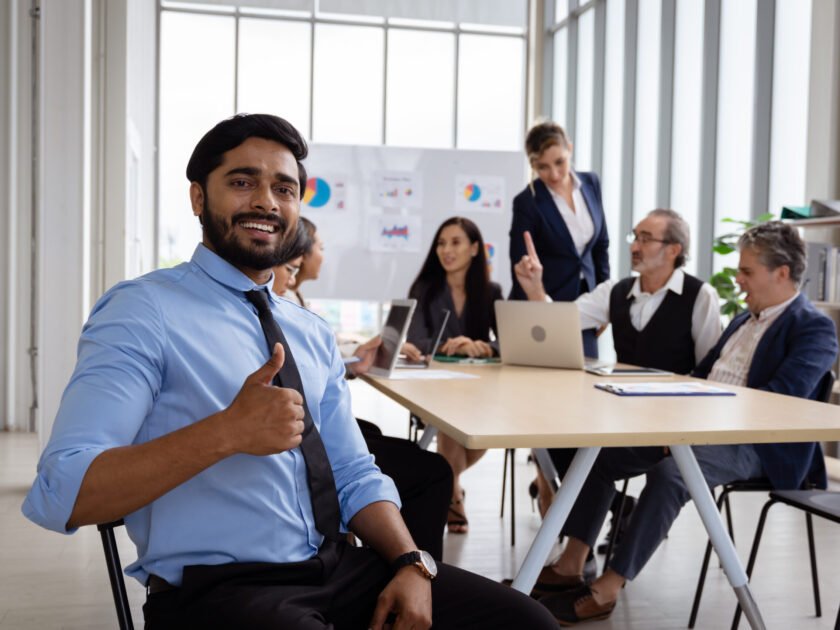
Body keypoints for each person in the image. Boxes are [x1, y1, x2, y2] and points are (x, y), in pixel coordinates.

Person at [21, 114, 556, 630]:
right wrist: (226, 433)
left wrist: (410, 562)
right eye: (241, 182)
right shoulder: (143, 311)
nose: (265, 201)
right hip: (219, 590)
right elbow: (60, 490)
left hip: (338, 569)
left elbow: (352, 473)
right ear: (198, 198)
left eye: (284, 188)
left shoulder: (308, 330)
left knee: (527, 620)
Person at [535, 221, 838, 625]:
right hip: (698, 426)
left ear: (781, 273)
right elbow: (702, 378)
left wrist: (687, 425)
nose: (738, 280)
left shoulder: (814, 328)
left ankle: (608, 587)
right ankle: (573, 561)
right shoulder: (743, 320)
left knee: (673, 471)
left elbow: (776, 403)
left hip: (758, 446)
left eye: (747, 271)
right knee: (601, 452)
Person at [514, 208, 722, 587]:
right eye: (635, 236)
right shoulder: (616, 290)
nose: (635, 246)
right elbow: (561, 320)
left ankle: (572, 563)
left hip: (671, 424)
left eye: (646, 238)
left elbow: (712, 371)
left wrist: (684, 427)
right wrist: (535, 290)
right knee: (562, 440)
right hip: (623, 413)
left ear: (674, 249)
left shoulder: (699, 296)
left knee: (594, 454)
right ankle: (577, 557)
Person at [274, 216, 454, 561]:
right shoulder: (277, 303)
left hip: (310, 433)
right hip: (302, 444)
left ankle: (391, 556)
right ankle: (413, 571)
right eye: (292, 267)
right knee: (435, 471)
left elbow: (307, 368)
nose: (286, 279)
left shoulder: (291, 302)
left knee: (369, 432)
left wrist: (352, 362)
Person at [403, 216, 503, 534]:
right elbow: (417, 340)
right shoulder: (425, 288)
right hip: (433, 387)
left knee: (481, 431)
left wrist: (484, 347)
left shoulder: (491, 291)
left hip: (481, 389)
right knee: (450, 418)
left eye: (456, 242)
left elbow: (510, 341)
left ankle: (448, 483)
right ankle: (454, 495)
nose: (446, 250)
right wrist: (451, 346)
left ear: (475, 249)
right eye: (441, 243)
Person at [509, 121, 610, 358]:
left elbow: (601, 246)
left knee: (584, 379)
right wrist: (539, 304)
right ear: (532, 165)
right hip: (546, 304)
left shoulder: (591, 183)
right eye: (542, 167)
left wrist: (606, 300)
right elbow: (520, 263)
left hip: (587, 302)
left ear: (570, 149)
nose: (553, 174)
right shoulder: (527, 202)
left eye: (559, 162)